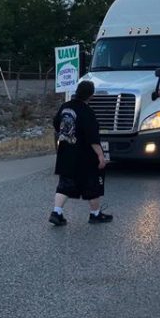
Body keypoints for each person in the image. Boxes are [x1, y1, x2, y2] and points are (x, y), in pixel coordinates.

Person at [49, 80, 112, 226]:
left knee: (64, 184)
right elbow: (92, 137)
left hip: (65, 152)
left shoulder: (65, 107)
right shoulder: (87, 111)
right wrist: (100, 156)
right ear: (91, 95)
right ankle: (95, 214)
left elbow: (56, 123)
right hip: (84, 155)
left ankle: (56, 212)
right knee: (93, 183)